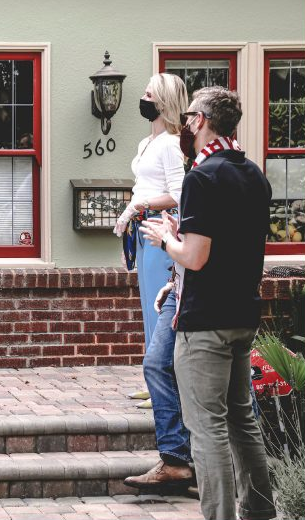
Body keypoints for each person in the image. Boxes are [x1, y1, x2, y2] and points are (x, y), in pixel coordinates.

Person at [140, 86, 276, 520]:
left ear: (200, 121)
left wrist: (165, 239)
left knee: (207, 428)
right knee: (241, 419)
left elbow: (196, 256)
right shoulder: (253, 173)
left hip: (204, 323)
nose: (185, 123)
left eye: (190, 116)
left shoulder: (202, 177)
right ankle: (259, 509)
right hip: (243, 314)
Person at [116, 73, 194, 490]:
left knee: (159, 306)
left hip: (158, 230)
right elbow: (142, 185)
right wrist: (129, 211)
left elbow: (178, 194)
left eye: (149, 94)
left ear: (163, 101)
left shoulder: (169, 145)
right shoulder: (147, 142)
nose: (143, 98)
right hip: (142, 229)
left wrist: (141, 205)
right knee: (148, 301)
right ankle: (154, 375)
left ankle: (160, 374)